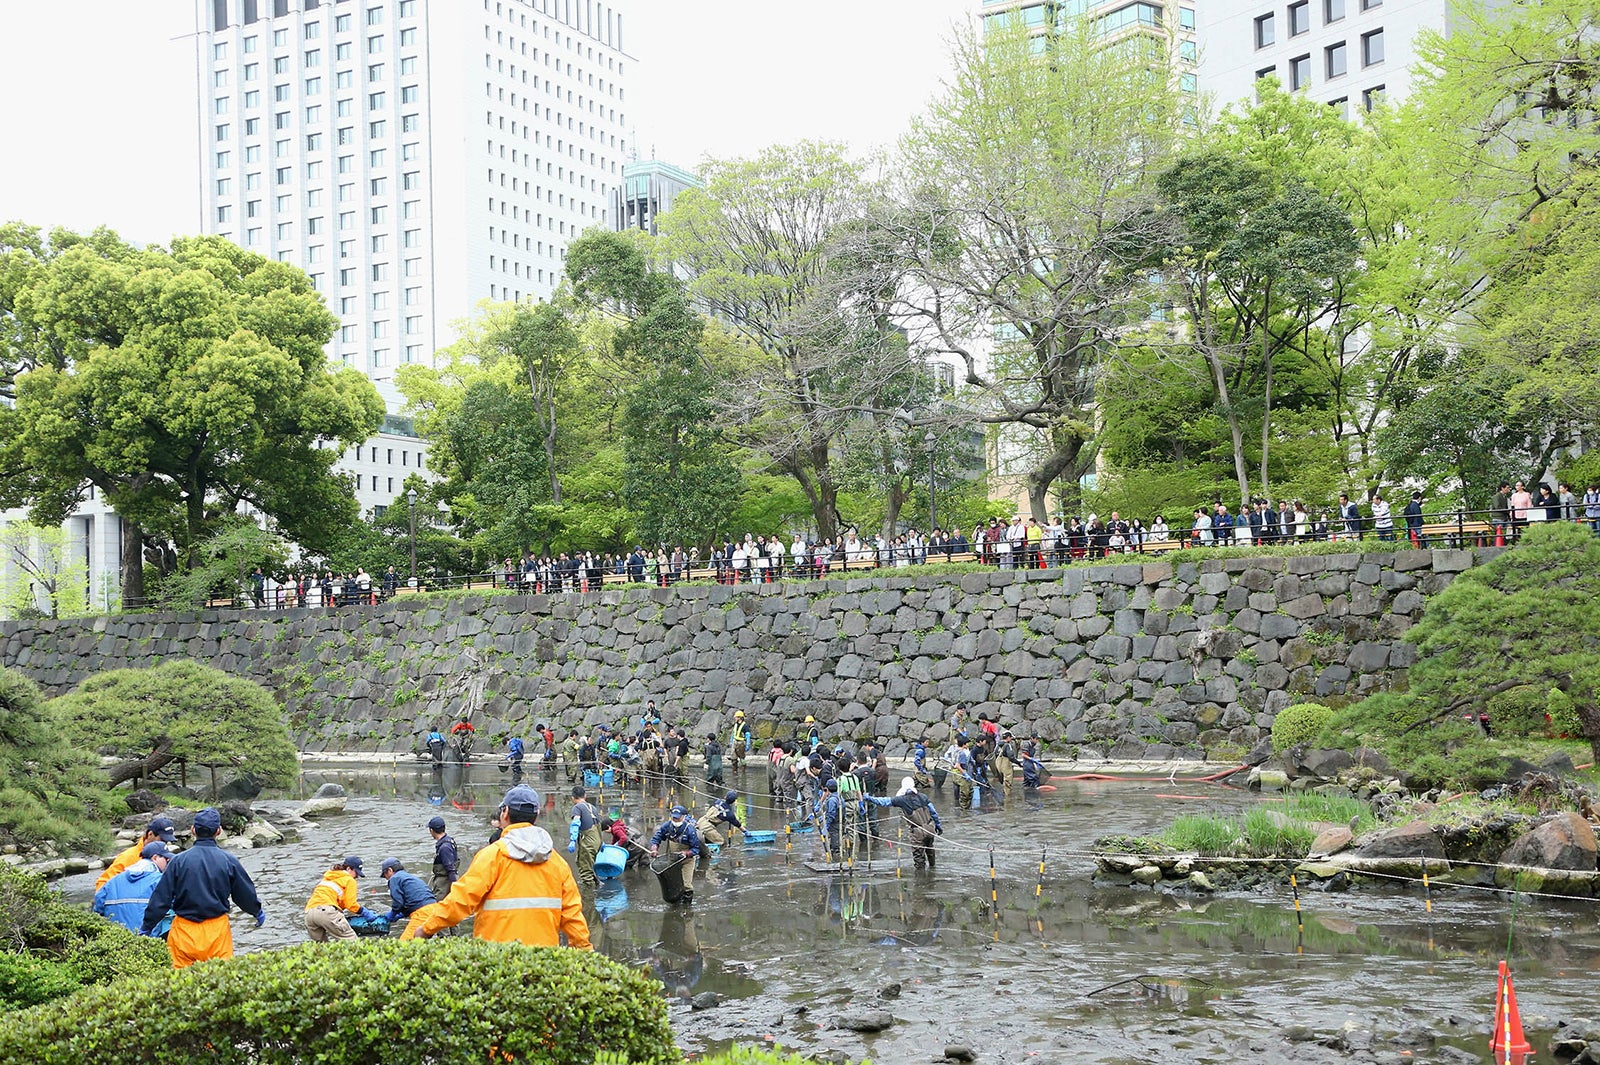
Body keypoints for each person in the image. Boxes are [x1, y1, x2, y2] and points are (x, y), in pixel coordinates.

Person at [403, 785, 591, 948]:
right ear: (536, 816)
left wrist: (426, 929)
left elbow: (460, 901)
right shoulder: (557, 863)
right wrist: (585, 954)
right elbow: (573, 916)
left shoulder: (492, 855)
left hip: (496, 964)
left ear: (505, 813)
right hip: (542, 963)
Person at [140, 807, 264, 968]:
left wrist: (147, 927)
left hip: (184, 931)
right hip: (217, 932)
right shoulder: (228, 861)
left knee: (179, 982)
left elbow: (161, 898)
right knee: (220, 980)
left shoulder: (178, 861)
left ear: (193, 830)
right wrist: (256, 911)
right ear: (218, 831)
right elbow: (244, 894)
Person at [94, 841, 174, 933]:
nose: (168, 861)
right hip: (148, 941)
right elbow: (178, 904)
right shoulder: (160, 880)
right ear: (155, 858)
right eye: (166, 858)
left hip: (115, 939)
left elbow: (98, 908)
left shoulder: (112, 881)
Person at [868, 778, 943, 869]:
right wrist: (938, 825)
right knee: (930, 849)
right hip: (930, 828)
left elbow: (884, 802)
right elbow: (933, 812)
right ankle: (932, 870)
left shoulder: (902, 800)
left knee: (918, 857)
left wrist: (869, 798)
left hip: (918, 831)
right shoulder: (923, 797)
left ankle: (920, 879)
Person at [95, 816, 177, 891]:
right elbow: (102, 884)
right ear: (150, 834)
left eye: (166, 841)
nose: (164, 844)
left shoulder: (165, 858)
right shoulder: (129, 857)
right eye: (162, 840)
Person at [304, 856, 372, 942]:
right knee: (352, 941)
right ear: (348, 869)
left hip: (309, 914)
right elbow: (350, 904)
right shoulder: (349, 880)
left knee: (321, 948)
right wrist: (364, 912)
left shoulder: (328, 877)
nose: (356, 877)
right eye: (356, 873)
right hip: (326, 912)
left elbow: (338, 900)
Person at [648, 805, 703, 901]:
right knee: (672, 882)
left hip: (687, 860)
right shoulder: (667, 826)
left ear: (684, 817)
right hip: (672, 859)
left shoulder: (690, 830)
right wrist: (654, 848)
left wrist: (687, 853)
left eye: (678, 818)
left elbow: (696, 849)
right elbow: (656, 838)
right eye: (673, 817)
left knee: (686, 885)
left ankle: (686, 906)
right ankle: (675, 902)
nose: (675, 820)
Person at [379, 858, 437, 930]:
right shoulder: (408, 876)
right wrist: (401, 915)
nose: (386, 878)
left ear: (390, 870)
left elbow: (398, 902)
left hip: (423, 912)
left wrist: (392, 914)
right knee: (422, 938)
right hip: (434, 908)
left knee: (406, 940)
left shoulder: (394, 878)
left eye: (385, 875)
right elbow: (412, 901)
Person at [567, 785, 603, 891]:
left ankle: (588, 897)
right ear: (585, 796)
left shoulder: (577, 807)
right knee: (587, 864)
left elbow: (576, 823)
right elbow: (598, 825)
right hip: (597, 841)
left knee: (585, 871)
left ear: (573, 797)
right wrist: (602, 842)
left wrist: (573, 840)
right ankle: (597, 885)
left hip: (588, 842)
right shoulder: (593, 808)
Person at [428, 815, 459, 898]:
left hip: (444, 884)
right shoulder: (449, 841)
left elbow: (450, 869)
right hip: (446, 881)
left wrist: (454, 888)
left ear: (431, 831)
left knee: (440, 906)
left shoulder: (444, 847)